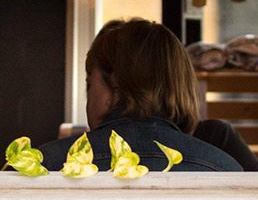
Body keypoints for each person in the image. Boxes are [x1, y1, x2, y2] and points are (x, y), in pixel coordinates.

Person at [38, 19, 245, 172]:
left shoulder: (39, 167)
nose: (88, 97)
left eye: (90, 84)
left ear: (116, 84)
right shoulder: (226, 169)